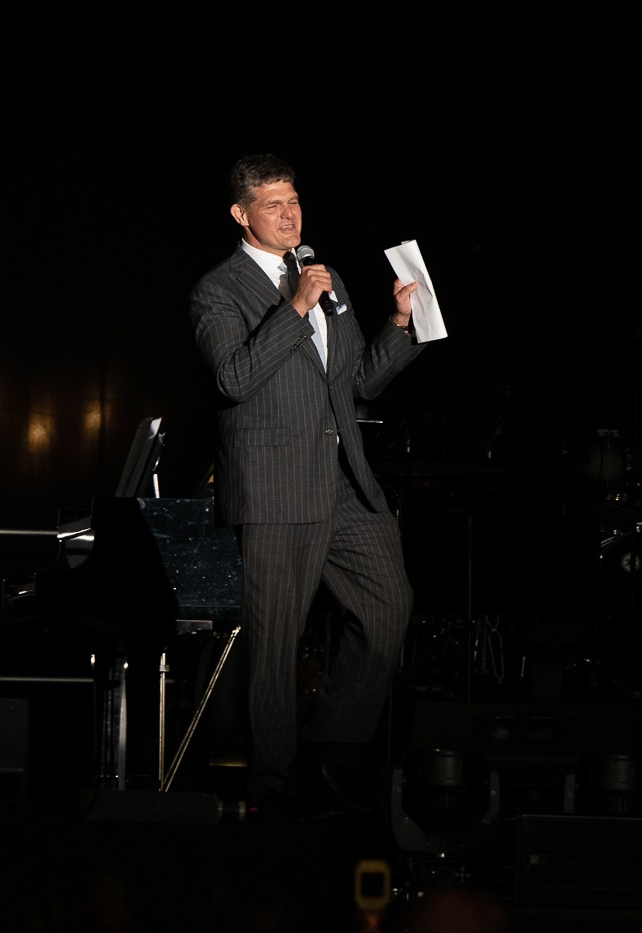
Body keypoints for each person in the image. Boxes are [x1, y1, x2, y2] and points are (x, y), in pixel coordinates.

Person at [189, 154, 425, 816]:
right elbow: (234, 378)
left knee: (388, 606)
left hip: (343, 478)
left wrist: (400, 326)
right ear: (241, 214)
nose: (290, 215)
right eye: (273, 205)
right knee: (276, 643)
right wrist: (295, 307)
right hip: (274, 486)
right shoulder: (217, 291)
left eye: (295, 202)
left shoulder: (326, 276)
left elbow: (356, 385)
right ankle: (272, 793)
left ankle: (329, 753)